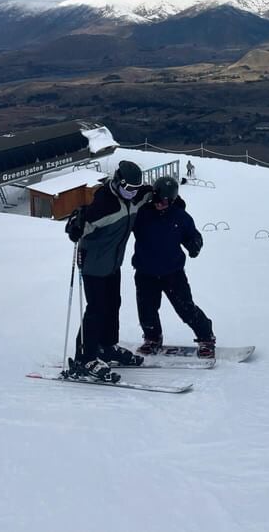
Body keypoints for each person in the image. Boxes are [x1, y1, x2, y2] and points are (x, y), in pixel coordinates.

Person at [64, 159, 153, 377]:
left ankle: (106, 346)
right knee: (96, 309)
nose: (133, 192)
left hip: (113, 264)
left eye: (136, 189)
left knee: (113, 304)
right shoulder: (104, 204)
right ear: (117, 182)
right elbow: (78, 224)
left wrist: (173, 199)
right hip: (93, 264)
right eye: (128, 188)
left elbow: (152, 193)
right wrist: (75, 225)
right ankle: (84, 358)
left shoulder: (135, 198)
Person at [132, 175, 216, 358]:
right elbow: (119, 226)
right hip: (145, 271)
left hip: (173, 272)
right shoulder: (141, 213)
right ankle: (152, 338)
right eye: (157, 200)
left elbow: (193, 235)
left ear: (173, 200)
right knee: (147, 309)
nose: (160, 204)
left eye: (165, 201)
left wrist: (194, 245)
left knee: (186, 308)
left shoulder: (180, 216)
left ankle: (206, 337)